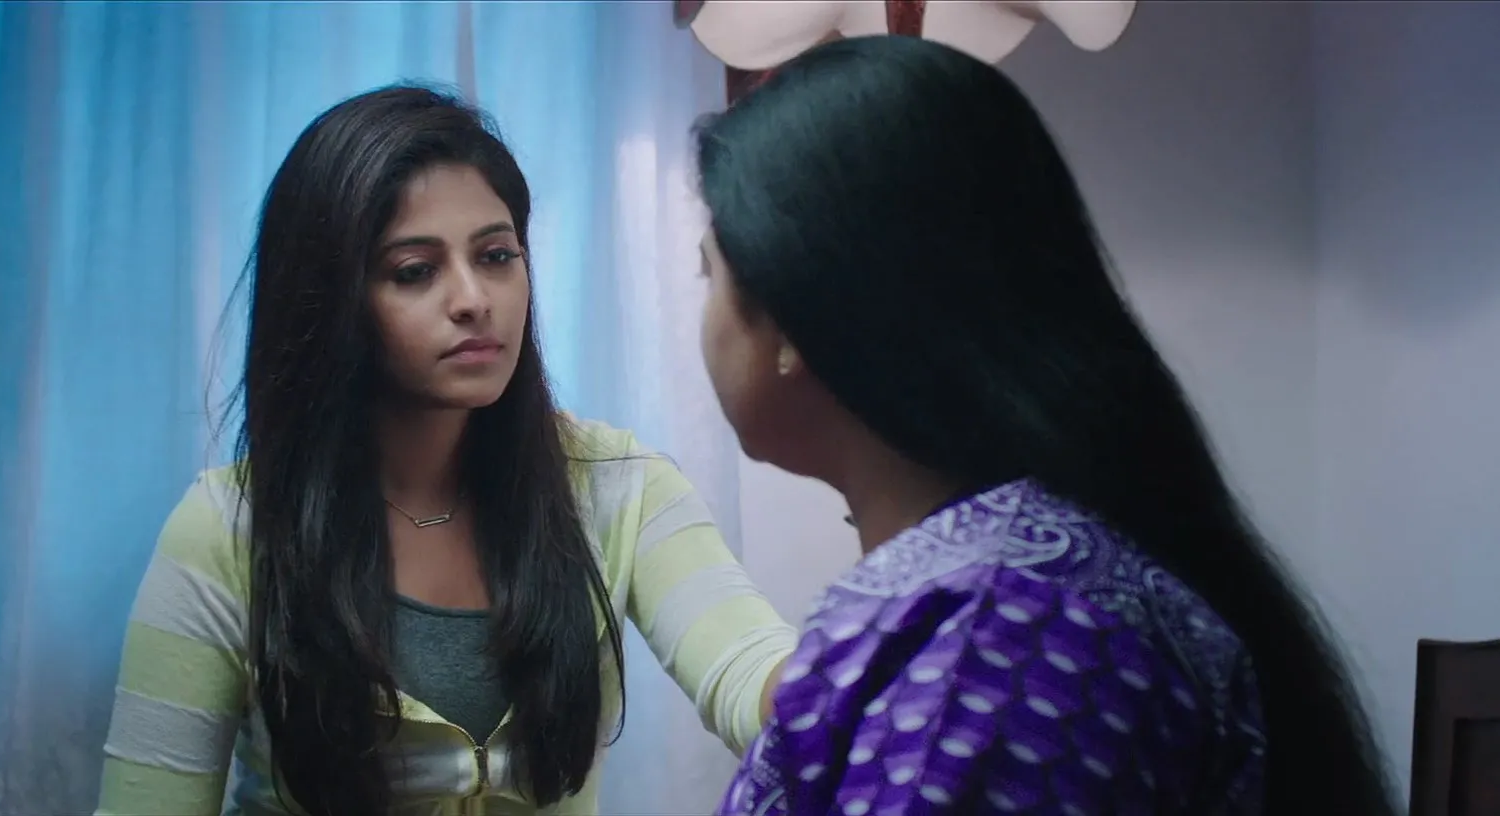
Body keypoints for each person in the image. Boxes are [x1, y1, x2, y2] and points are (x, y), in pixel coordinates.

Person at [691, 36, 1395, 816]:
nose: (703, 313)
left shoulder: (991, 635)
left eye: (709, 273)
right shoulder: (1018, 595)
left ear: (789, 316)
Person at [95, 85, 798, 816]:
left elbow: (748, 668)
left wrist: (870, 656)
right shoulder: (231, 530)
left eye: (496, 256)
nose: (473, 299)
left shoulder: (618, 486)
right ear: (330, 299)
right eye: (415, 271)